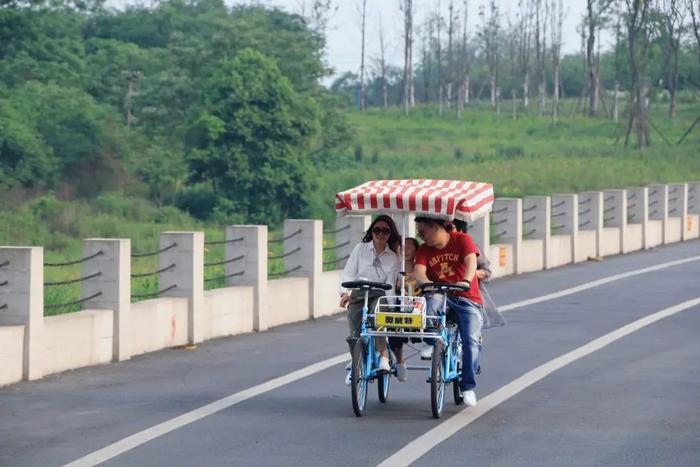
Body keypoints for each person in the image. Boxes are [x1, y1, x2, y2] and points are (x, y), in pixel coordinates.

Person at [413, 216, 483, 407]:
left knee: (471, 342)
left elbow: (471, 262)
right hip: (439, 293)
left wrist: (466, 281)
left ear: (435, 228)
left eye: (423, 232)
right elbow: (419, 270)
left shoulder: (462, 240)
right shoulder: (424, 249)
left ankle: (467, 386)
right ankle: (430, 340)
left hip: (466, 297)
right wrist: (426, 283)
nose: (421, 236)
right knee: (430, 305)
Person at [340, 215, 401, 385]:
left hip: (380, 293)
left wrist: (390, 306)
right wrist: (344, 292)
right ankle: (356, 362)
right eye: (377, 230)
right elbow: (348, 272)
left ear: (390, 234)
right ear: (371, 232)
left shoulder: (393, 257)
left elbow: (389, 284)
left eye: (385, 231)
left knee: (377, 318)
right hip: (359, 292)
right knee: (354, 329)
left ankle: (383, 356)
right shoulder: (360, 249)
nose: (380, 234)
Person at [387, 237, 420, 382]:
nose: (406, 251)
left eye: (410, 248)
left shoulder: (420, 268)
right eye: (403, 248)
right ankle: (399, 361)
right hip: (400, 305)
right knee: (394, 326)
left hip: (418, 304)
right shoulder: (395, 267)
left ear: (415, 250)